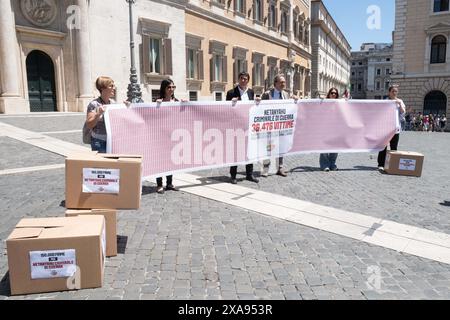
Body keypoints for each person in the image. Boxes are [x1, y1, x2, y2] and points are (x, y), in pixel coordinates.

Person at [227, 72, 259, 184]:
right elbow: (226, 110)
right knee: (235, 151)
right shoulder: (231, 92)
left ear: (248, 80)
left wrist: (257, 103)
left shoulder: (251, 92)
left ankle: (249, 174)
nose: (243, 80)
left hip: (248, 125)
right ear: (238, 79)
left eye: (245, 79)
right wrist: (231, 104)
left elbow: (252, 108)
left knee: (249, 150)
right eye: (241, 78)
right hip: (236, 126)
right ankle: (233, 175)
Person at [260, 74, 291, 177]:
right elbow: (261, 108)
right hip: (270, 126)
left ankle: (280, 168)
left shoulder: (286, 94)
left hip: (282, 126)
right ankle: (266, 168)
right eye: (281, 82)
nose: (283, 84)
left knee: (281, 147)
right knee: (269, 147)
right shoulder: (267, 94)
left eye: (284, 82)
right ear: (276, 83)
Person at [154, 79, 180, 194]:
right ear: (164, 89)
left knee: (170, 161)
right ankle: (159, 184)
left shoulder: (177, 101)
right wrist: (156, 106)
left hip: (172, 136)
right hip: (160, 137)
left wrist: (185, 104)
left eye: (173, 87)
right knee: (160, 161)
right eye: (169, 87)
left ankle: (169, 183)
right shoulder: (158, 102)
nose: (171, 89)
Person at [377, 85, 406, 171]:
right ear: (389, 92)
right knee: (383, 147)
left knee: (394, 147)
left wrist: (400, 104)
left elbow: (403, 113)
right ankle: (381, 164)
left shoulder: (400, 101)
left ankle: (392, 164)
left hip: (395, 129)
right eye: (393, 91)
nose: (394, 93)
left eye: (396, 91)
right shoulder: (385, 101)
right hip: (385, 128)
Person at [85, 76, 116, 153]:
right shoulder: (94, 104)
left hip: (111, 140)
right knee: (101, 165)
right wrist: (98, 114)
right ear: (102, 88)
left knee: (112, 164)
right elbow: (89, 124)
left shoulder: (113, 103)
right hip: (98, 141)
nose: (114, 88)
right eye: (111, 86)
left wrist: (127, 107)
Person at [319, 88, 340, 172]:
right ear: (329, 94)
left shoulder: (340, 103)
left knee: (335, 148)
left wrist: (347, 101)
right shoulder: (324, 102)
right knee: (324, 147)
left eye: (335, 93)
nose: (333, 94)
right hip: (325, 127)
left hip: (336, 128)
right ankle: (324, 165)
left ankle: (332, 164)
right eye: (332, 93)